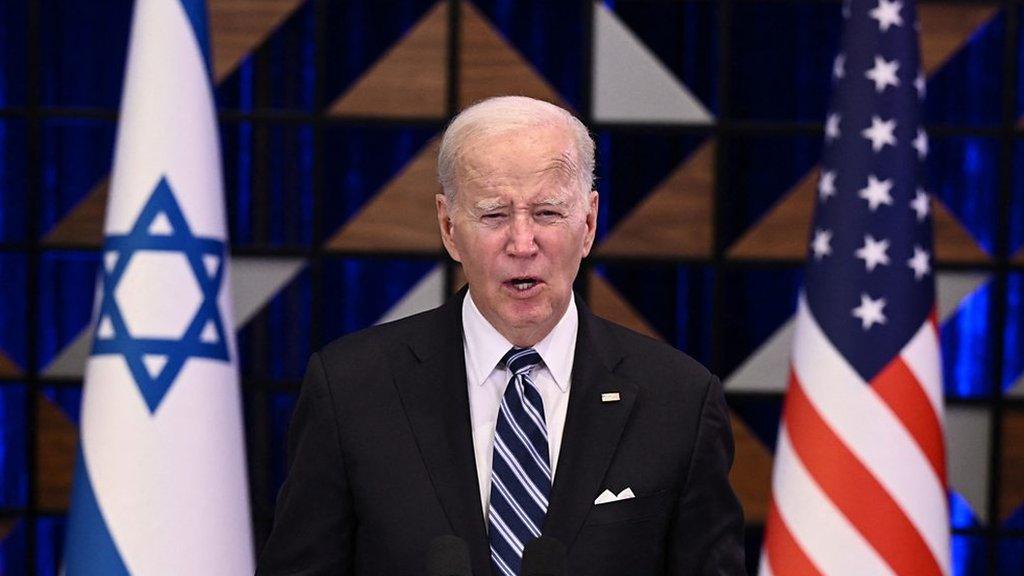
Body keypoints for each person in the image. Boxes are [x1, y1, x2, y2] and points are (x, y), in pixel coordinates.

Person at [257, 96, 745, 575]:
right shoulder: (351, 389)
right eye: (494, 215)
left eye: (548, 213)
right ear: (449, 228)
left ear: (589, 223)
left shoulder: (679, 400)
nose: (522, 243)